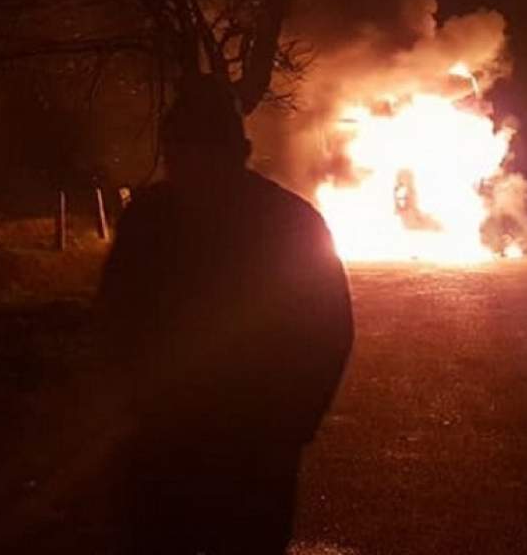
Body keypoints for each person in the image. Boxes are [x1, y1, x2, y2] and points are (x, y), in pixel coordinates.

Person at [98, 77, 353, 554]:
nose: (185, 162)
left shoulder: (151, 220)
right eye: (179, 149)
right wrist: (295, 424)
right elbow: (330, 330)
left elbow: (327, 329)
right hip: (211, 447)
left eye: (191, 149)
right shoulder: (290, 220)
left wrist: (292, 424)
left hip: (222, 446)